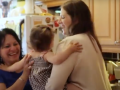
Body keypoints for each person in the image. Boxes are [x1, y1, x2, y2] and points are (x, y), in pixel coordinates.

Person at [45, 0, 112, 90]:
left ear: (76, 19)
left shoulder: (71, 42)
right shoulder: (91, 39)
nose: (59, 21)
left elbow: (54, 87)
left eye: (63, 17)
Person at [0, 25, 82, 90]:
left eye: (15, 44)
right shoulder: (44, 54)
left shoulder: (29, 56)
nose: (13, 48)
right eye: (7, 46)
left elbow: (16, 66)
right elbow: (57, 59)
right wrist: (70, 49)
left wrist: (7, 68)